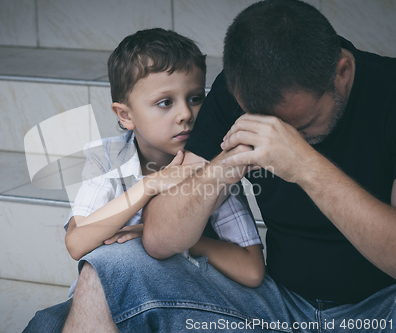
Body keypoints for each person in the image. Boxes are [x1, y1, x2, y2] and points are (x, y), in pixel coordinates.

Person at [53, 0, 396, 332]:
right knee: (109, 269)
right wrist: (225, 165)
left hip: (382, 308)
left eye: (303, 126)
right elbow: (159, 239)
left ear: (342, 73)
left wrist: (304, 165)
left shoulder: (389, 93)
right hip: (278, 308)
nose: (286, 140)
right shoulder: (234, 95)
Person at [22, 28, 265, 333]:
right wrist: (148, 186)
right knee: (42, 324)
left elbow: (252, 269)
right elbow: (76, 242)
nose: (185, 114)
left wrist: (180, 241)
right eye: (165, 102)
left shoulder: (208, 166)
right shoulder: (107, 157)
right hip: (108, 297)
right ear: (125, 115)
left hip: (182, 302)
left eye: (194, 98)